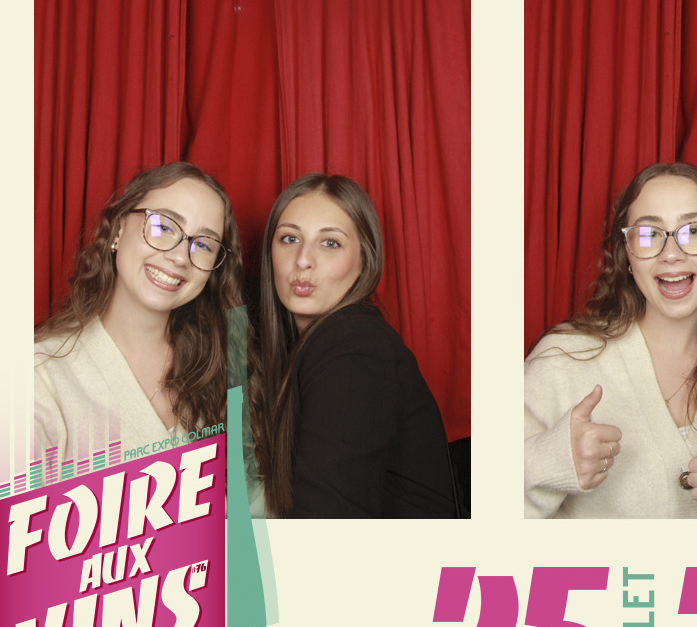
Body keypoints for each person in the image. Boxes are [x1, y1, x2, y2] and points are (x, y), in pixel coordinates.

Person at [524, 163, 697, 519]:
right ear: (627, 256)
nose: (671, 253)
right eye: (648, 234)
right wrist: (546, 464)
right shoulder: (563, 360)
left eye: (694, 231)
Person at [249, 174, 458, 518]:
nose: (303, 259)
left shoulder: (353, 346)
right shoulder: (310, 342)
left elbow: (326, 525)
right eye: (289, 238)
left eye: (330, 243)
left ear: (365, 260)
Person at [34, 163, 244, 469]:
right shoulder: (40, 375)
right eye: (163, 227)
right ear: (118, 230)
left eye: (202, 244)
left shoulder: (220, 370)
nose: (179, 256)